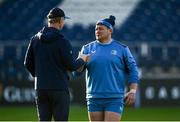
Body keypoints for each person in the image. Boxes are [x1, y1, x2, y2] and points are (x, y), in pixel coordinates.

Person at [24, 7, 88, 121]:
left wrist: (38, 75)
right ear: (60, 21)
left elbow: (27, 63)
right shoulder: (62, 41)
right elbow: (72, 66)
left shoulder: (35, 39)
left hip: (41, 88)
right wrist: (82, 59)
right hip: (59, 88)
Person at [79, 15, 140, 121]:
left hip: (114, 97)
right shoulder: (87, 48)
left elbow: (133, 70)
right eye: (96, 29)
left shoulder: (122, 49)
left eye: (101, 29)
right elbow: (77, 72)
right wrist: (80, 64)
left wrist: (133, 91)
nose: (97, 31)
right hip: (94, 97)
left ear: (110, 30)